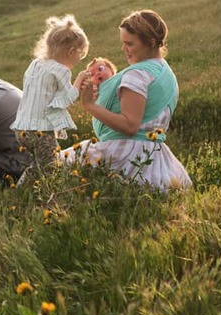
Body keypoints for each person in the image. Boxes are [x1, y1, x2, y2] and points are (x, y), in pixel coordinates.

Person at [63, 10, 192, 191]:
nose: (124, 49)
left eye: (129, 43)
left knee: (50, 166)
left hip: (124, 154)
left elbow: (130, 126)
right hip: (153, 156)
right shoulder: (165, 72)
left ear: (151, 43)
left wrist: (89, 105)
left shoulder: (137, 74)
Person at [11, 15, 90, 177]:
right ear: (71, 52)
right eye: (80, 55)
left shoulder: (36, 64)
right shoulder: (61, 70)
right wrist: (80, 79)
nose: (79, 60)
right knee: (50, 166)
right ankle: (31, 194)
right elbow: (67, 98)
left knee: (38, 164)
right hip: (40, 129)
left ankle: (26, 193)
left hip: (21, 128)